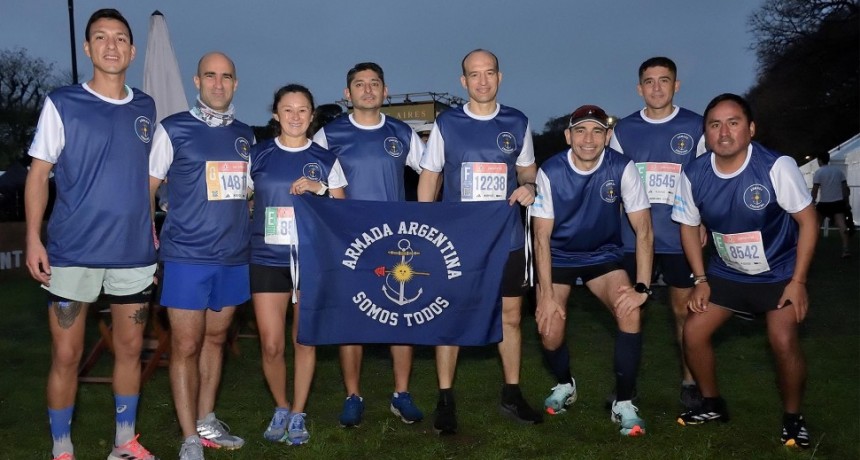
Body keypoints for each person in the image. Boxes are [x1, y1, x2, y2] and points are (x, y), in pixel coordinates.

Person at [24, 9, 158, 460]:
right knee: (67, 355)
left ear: (132, 50)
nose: (111, 45)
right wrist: (33, 238)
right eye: (100, 37)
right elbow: (39, 175)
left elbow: (150, 178)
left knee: (130, 348)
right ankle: (62, 449)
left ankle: (125, 442)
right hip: (72, 251)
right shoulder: (63, 102)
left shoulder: (146, 107)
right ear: (88, 49)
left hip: (133, 253)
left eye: (120, 38)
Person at [672, 93, 818, 449]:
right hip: (727, 272)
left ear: (750, 129)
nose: (724, 132)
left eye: (733, 122)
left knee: (783, 341)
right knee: (693, 332)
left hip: (778, 273)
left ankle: (793, 419)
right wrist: (701, 279)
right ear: (704, 133)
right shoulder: (693, 173)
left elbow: (809, 222)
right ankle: (712, 404)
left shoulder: (775, 166)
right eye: (714, 124)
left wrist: (798, 282)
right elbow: (688, 227)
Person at [417, 49, 543, 434]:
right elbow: (430, 177)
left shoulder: (517, 121)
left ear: (499, 77)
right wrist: (425, 228)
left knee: (510, 317)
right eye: (474, 74)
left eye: (489, 73)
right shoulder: (447, 124)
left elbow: (527, 173)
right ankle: (445, 398)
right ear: (464, 82)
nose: (483, 81)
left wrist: (529, 187)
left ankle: (511, 392)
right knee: (450, 316)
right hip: (456, 242)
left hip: (505, 239)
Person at [149, 52, 252, 460]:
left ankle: (207, 420)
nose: (218, 83)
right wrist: (147, 241)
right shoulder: (172, 129)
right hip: (187, 256)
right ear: (197, 81)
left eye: (226, 76)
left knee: (214, 340)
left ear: (235, 83)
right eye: (210, 75)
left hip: (233, 256)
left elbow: (247, 192)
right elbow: (148, 187)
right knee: (186, 345)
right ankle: (189, 436)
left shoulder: (247, 135)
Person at [313, 62, 425, 427]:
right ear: (347, 93)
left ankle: (401, 394)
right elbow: (312, 181)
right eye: (359, 84)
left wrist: (431, 216)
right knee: (352, 321)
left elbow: (432, 171)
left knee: (401, 317)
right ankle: (353, 395)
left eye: (374, 83)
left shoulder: (403, 132)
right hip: (350, 244)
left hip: (397, 243)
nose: (367, 89)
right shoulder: (329, 135)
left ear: (385, 90)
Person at [532, 105, 653, 437]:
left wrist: (642, 287)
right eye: (581, 131)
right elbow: (540, 237)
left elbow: (644, 229)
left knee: (629, 310)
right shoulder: (551, 171)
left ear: (608, 136)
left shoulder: (623, 168)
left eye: (597, 131)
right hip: (558, 257)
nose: (589, 138)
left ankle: (624, 403)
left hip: (603, 256)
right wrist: (544, 296)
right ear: (568, 135)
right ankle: (565, 383)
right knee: (549, 327)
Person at [608, 56, 707, 410]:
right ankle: (625, 386)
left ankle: (690, 382)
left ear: (676, 85)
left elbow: (705, 181)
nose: (656, 88)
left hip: (680, 237)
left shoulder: (697, 126)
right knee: (630, 311)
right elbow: (614, 183)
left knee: (684, 312)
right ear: (639, 88)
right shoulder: (623, 130)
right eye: (649, 81)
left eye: (664, 80)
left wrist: (704, 223)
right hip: (634, 240)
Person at [252, 84, 347, 445]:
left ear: (312, 115)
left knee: (304, 339)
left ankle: (298, 413)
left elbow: (343, 211)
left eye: (302, 110)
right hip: (265, 258)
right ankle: (281, 404)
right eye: (287, 110)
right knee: (272, 343)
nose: (295, 116)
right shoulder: (258, 154)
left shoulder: (325, 159)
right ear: (276, 114)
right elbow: (240, 200)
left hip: (311, 259)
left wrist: (320, 188)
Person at [811, 152, 851, 258]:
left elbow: (815, 190)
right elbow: (845, 189)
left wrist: (812, 201)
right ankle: (845, 249)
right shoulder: (838, 172)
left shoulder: (819, 172)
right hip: (838, 203)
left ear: (819, 160)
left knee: (815, 226)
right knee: (842, 225)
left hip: (824, 203)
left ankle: (812, 249)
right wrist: (846, 202)